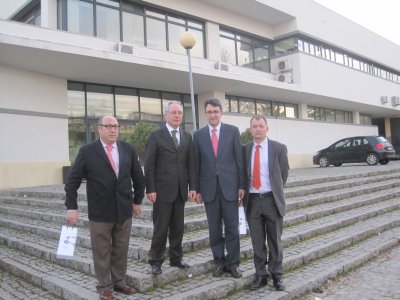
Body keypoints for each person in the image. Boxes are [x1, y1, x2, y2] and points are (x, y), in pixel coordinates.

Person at [64, 115, 145, 300]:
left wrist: (137, 201)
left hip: (123, 210)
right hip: (100, 212)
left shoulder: (127, 149)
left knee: (121, 248)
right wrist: (71, 208)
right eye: (108, 126)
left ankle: (119, 282)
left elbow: (139, 178)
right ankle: (104, 287)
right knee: (101, 251)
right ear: (99, 129)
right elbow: (72, 182)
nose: (113, 130)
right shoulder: (87, 152)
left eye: (115, 126)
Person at [193, 98, 245, 278]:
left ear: (221, 113)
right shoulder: (198, 135)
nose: (213, 115)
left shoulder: (232, 131)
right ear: (205, 113)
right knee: (214, 229)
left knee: (232, 228)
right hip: (209, 190)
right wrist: (196, 189)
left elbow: (239, 160)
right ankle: (219, 262)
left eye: (216, 111)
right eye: (209, 112)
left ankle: (233, 263)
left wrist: (242, 184)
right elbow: (196, 164)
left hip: (230, 188)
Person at [144, 101, 196, 275]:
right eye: (173, 112)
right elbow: (149, 165)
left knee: (178, 227)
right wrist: (150, 188)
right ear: (166, 115)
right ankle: (155, 260)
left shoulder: (187, 137)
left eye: (180, 113)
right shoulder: (156, 136)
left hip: (181, 191)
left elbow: (191, 165)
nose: (177, 115)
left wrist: (193, 187)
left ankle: (176, 258)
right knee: (161, 228)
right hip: (162, 191)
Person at [242, 115, 289, 291]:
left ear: (267, 129)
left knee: (275, 240)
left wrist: (274, 192)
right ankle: (260, 275)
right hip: (252, 201)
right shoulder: (245, 150)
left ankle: (277, 275)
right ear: (250, 130)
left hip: (271, 200)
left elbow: (283, 175)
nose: (258, 129)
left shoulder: (278, 148)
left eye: (261, 126)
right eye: (254, 126)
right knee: (257, 241)